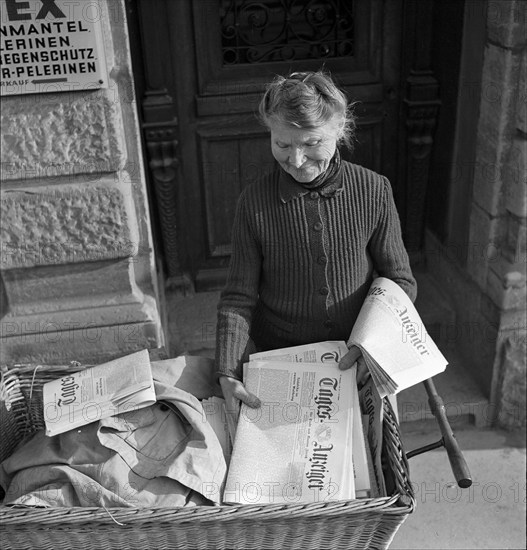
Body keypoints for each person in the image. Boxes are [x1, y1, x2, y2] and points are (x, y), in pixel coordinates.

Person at [216, 70, 417, 417]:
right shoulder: (253, 203)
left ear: (340, 129)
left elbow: (400, 281)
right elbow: (238, 298)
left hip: (356, 358)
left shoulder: (374, 190)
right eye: (282, 144)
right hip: (280, 360)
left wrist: (373, 346)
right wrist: (226, 371)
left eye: (311, 143)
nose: (296, 160)